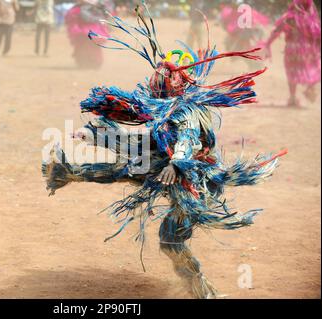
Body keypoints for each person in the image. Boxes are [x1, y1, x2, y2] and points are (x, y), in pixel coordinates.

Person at [42, 1, 286, 299]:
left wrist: (178, 164)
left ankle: (202, 291)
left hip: (192, 175)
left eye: (167, 73)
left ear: (180, 79)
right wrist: (91, 131)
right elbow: (134, 110)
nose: (160, 78)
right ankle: (65, 173)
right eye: (160, 71)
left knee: (170, 242)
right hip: (162, 157)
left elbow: (188, 138)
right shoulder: (160, 100)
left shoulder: (188, 109)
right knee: (128, 164)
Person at [263, 0, 321, 107]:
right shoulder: (311, 20)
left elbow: (277, 30)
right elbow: (318, 36)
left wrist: (268, 44)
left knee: (292, 73)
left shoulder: (288, 17)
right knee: (313, 70)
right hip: (308, 51)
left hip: (292, 50)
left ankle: (293, 97)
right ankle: (310, 88)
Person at [64, 0, 110, 68]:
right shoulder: (77, 9)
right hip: (86, 27)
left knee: (86, 45)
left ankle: (86, 61)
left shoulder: (77, 9)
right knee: (87, 45)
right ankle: (87, 61)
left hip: (87, 27)